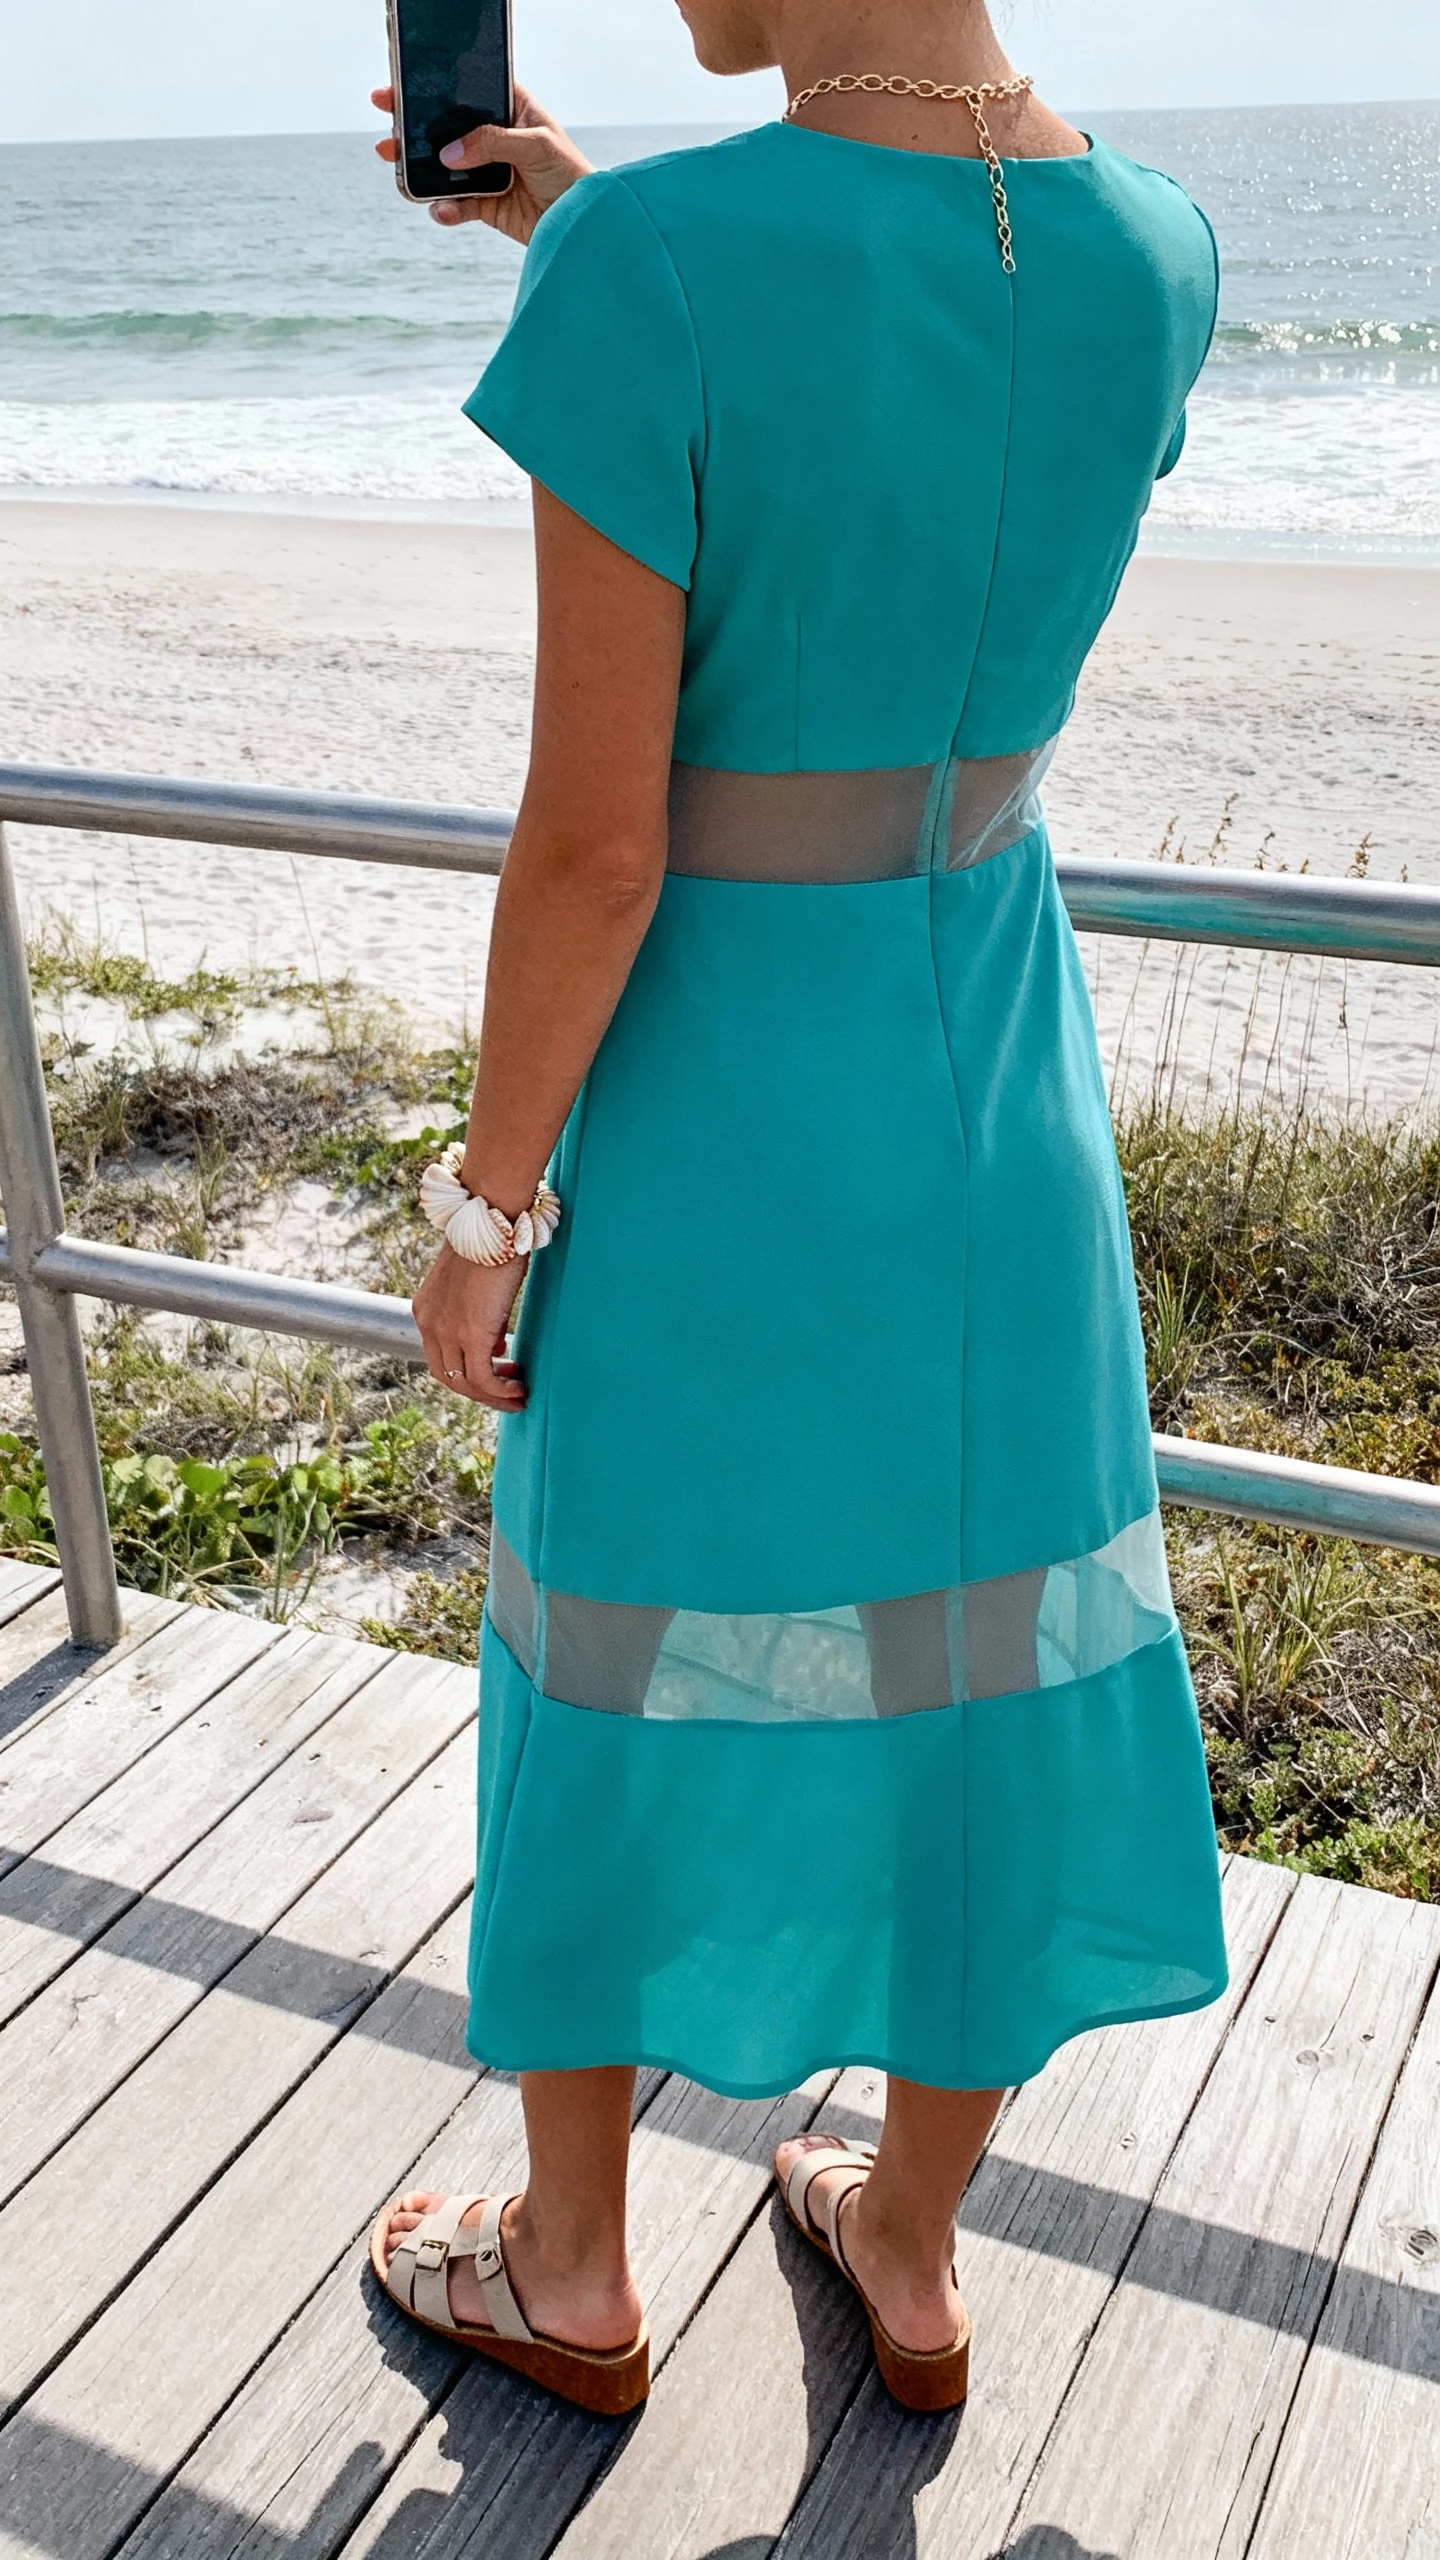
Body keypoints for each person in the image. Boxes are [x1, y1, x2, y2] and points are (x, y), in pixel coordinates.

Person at [368, 0, 1228, 2419]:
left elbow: (600, 842)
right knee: (988, 1643)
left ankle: (563, 2264)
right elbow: (911, 389)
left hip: (721, 1108)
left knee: (608, 1646)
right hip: (990, 1081)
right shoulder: (1155, 241)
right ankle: (915, 2232)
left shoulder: (657, 269)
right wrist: (582, 225)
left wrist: (483, 1201)